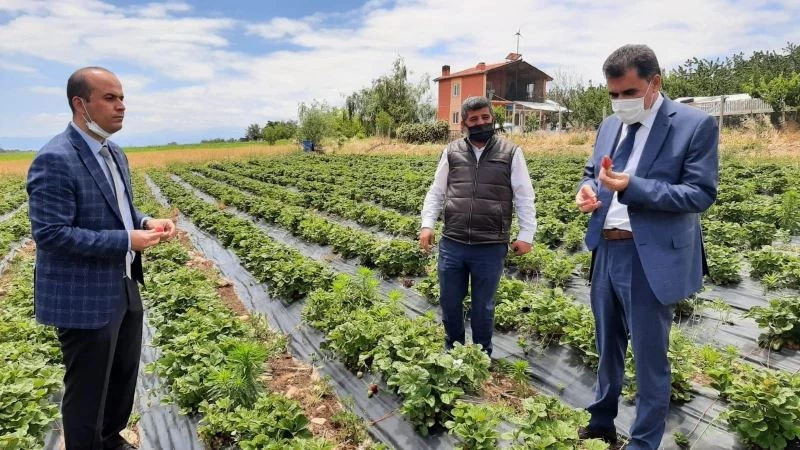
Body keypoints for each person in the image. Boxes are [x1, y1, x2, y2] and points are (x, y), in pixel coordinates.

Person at [575, 45, 719, 450]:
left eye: (629, 92)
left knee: (651, 357)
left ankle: (643, 443)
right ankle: (602, 421)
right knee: (607, 345)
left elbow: (700, 193)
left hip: (648, 256)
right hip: (606, 248)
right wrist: (585, 191)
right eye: (613, 95)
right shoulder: (608, 126)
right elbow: (591, 173)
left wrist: (634, 188)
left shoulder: (694, 125)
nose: (620, 103)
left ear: (654, 82)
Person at [27, 66, 176, 450]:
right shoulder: (56, 158)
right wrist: (127, 238)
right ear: (81, 104)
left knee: (122, 376)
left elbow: (118, 208)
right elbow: (51, 235)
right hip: (84, 297)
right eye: (110, 98)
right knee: (89, 388)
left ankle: (110, 439)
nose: (121, 106)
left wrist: (145, 221)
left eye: (122, 97)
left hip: (124, 284)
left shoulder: (114, 152)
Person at [419, 96, 537, 356]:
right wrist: (427, 224)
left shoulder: (511, 153)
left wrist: (526, 234)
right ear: (464, 124)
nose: (481, 122)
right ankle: (454, 352)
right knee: (450, 302)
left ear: (492, 118)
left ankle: (482, 355)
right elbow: (436, 192)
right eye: (474, 119)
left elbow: (524, 195)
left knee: (483, 305)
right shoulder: (451, 152)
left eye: (485, 117)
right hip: (453, 242)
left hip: (490, 245)